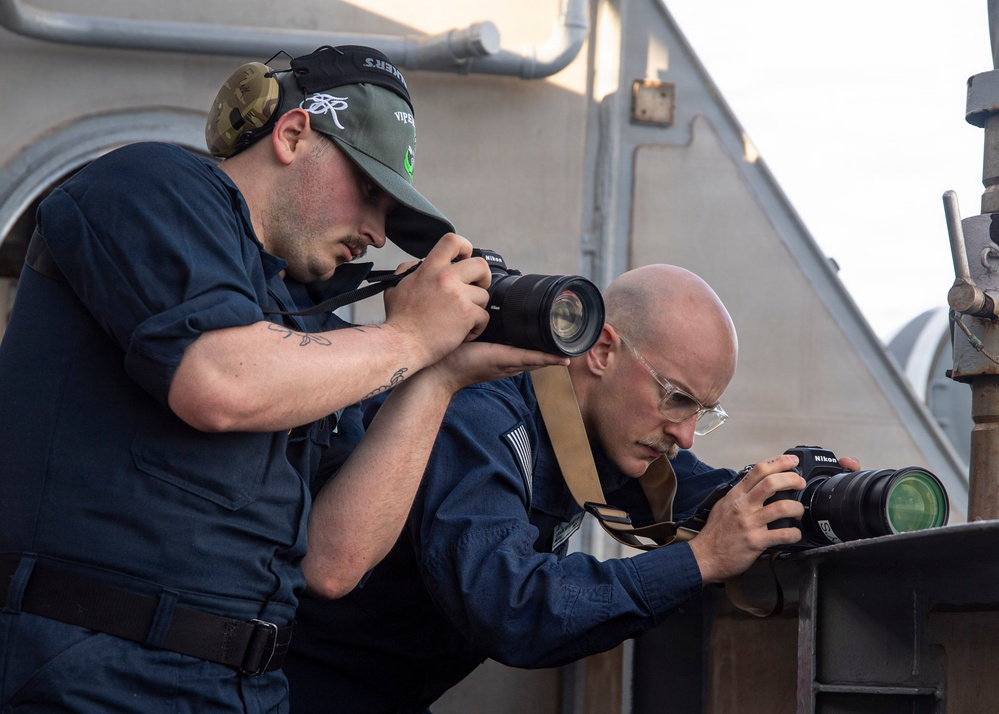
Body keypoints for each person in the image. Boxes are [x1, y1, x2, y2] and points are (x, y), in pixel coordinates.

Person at [0, 45, 566, 712]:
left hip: (244, 686)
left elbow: (334, 561)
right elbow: (220, 384)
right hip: (90, 670)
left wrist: (435, 378)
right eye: (369, 189)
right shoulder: (149, 183)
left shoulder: (304, 322)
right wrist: (407, 336)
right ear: (294, 134)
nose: (379, 234)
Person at [284, 263, 862, 713]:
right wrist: (701, 560)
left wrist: (808, 495)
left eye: (702, 412)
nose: (685, 434)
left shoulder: (586, 422)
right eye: (676, 398)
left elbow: (698, 493)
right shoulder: (480, 416)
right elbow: (508, 605)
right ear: (603, 351)